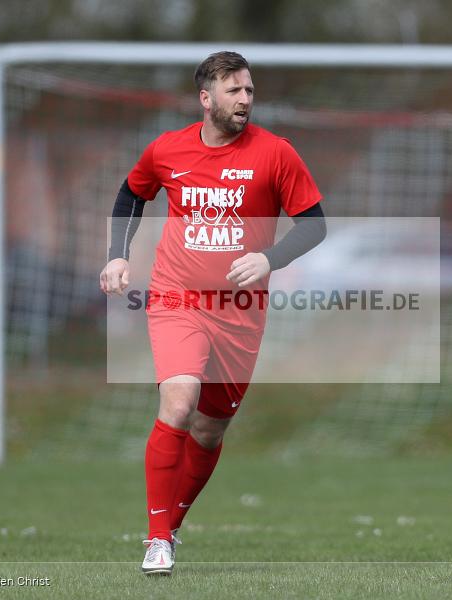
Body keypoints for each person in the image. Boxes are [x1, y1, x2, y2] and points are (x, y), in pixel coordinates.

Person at [99, 51, 326, 575]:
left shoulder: (276, 154)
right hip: (177, 298)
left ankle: (171, 526)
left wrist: (269, 258)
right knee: (180, 402)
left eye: (249, 90)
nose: (245, 99)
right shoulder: (167, 149)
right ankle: (157, 540)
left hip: (241, 313)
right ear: (206, 98)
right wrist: (117, 254)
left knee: (209, 430)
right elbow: (132, 195)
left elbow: (314, 225)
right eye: (234, 90)